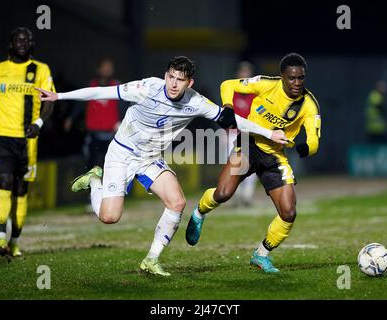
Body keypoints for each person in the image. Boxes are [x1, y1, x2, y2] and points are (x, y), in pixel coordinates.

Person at [37, 56, 288, 276]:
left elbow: (233, 121)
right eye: (170, 77)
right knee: (109, 217)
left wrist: (269, 133)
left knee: (177, 203)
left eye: (180, 79)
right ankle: (94, 180)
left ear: (189, 83)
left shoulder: (196, 101)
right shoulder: (147, 88)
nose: (173, 83)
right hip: (121, 154)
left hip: (149, 159)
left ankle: (151, 260)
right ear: (165, 75)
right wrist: (59, 96)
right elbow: (102, 93)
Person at [185, 53, 321, 273]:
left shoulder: (309, 104)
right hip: (249, 145)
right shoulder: (267, 84)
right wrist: (228, 106)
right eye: (292, 78)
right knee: (223, 193)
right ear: (282, 77)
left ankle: (261, 255)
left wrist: (306, 147)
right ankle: (198, 213)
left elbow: (314, 139)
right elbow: (228, 85)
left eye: (301, 78)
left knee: (289, 213)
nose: (297, 83)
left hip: (275, 157)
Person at [0, 27, 55, 256]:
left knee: (20, 191)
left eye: (27, 40)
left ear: (31, 44)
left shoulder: (41, 69)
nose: (22, 43)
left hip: (28, 140)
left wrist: (39, 123)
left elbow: (49, 101)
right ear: (11, 44)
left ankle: (15, 241)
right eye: (18, 40)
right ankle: (1, 239)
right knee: (3, 182)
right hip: (2, 137)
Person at [65, 58, 126, 169]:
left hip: (113, 136)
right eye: (105, 67)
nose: (107, 70)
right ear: (98, 69)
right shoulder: (90, 86)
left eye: (110, 68)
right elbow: (80, 104)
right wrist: (71, 118)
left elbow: (125, 107)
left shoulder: (118, 87)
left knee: (111, 167)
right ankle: (92, 186)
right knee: (91, 166)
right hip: (93, 136)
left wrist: (122, 122)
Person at [228, 61, 257, 207]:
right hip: (233, 133)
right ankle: (236, 194)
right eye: (242, 72)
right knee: (234, 165)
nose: (244, 74)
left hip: (250, 133)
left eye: (247, 72)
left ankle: (247, 195)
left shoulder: (256, 92)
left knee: (252, 164)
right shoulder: (232, 90)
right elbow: (226, 113)